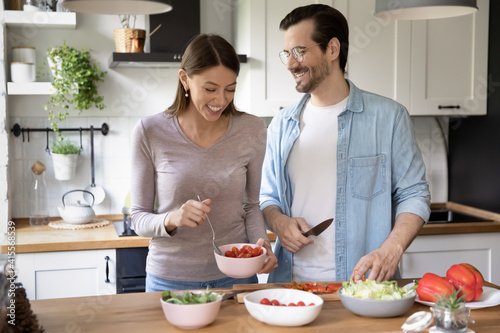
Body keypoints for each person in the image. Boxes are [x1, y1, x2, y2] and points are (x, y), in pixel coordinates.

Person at [260, 4, 431, 284]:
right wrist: (280, 223)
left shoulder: (388, 117)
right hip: (291, 285)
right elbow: (267, 198)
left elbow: (414, 193)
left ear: (332, 49)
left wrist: (391, 250)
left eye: (300, 51)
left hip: (364, 286)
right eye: (287, 54)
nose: (291, 64)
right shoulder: (281, 124)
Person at [131, 34, 277, 292]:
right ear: (184, 79)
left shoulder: (252, 129)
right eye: (210, 89)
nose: (221, 100)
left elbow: (251, 205)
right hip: (170, 279)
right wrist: (173, 218)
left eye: (230, 89)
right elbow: (139, 218)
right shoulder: (149, 131)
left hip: (237, 277)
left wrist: (260, 243)